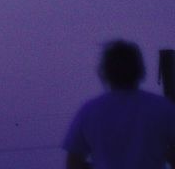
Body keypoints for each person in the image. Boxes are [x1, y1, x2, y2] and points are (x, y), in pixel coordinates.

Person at [63, 40, 175, 168]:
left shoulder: (89, 111)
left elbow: (73, 163)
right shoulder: (162, 108)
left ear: (106, 72)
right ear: (140, 70)